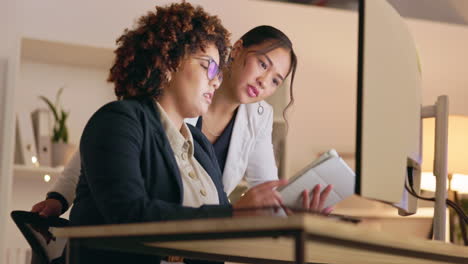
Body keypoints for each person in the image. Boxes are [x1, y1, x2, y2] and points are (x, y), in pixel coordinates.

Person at [32, 20, 333, 217]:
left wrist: (293, 208)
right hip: (156, 227)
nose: (265, 81)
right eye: (263, 64)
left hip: (193, 234)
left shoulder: (255, 118)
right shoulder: (160, 103)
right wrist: (60, 195)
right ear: (237, 49)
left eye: (276, 80)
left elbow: (267, 188)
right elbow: (107, 149)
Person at [65, 3, 293, 264]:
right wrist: (232, 217)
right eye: (209, 67)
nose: (216, 80)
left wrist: (290, 214)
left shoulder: (200, 146)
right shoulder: (118, 121)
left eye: (218, 72)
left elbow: (217, 237)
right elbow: (129, 215)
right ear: (170, 61)